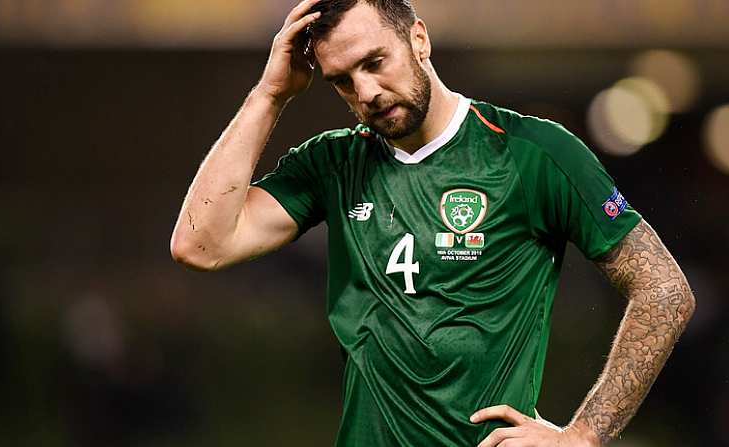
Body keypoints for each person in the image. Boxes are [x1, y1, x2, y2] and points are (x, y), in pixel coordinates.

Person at [170, 0, 696, 445]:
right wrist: (270, 95)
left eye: (376, 61)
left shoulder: (532, 154)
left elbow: (665, 290)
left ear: (418, 38)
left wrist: (584, 435)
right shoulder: (333, 164)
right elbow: (200, 244)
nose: (367, 91)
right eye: (343, 82)